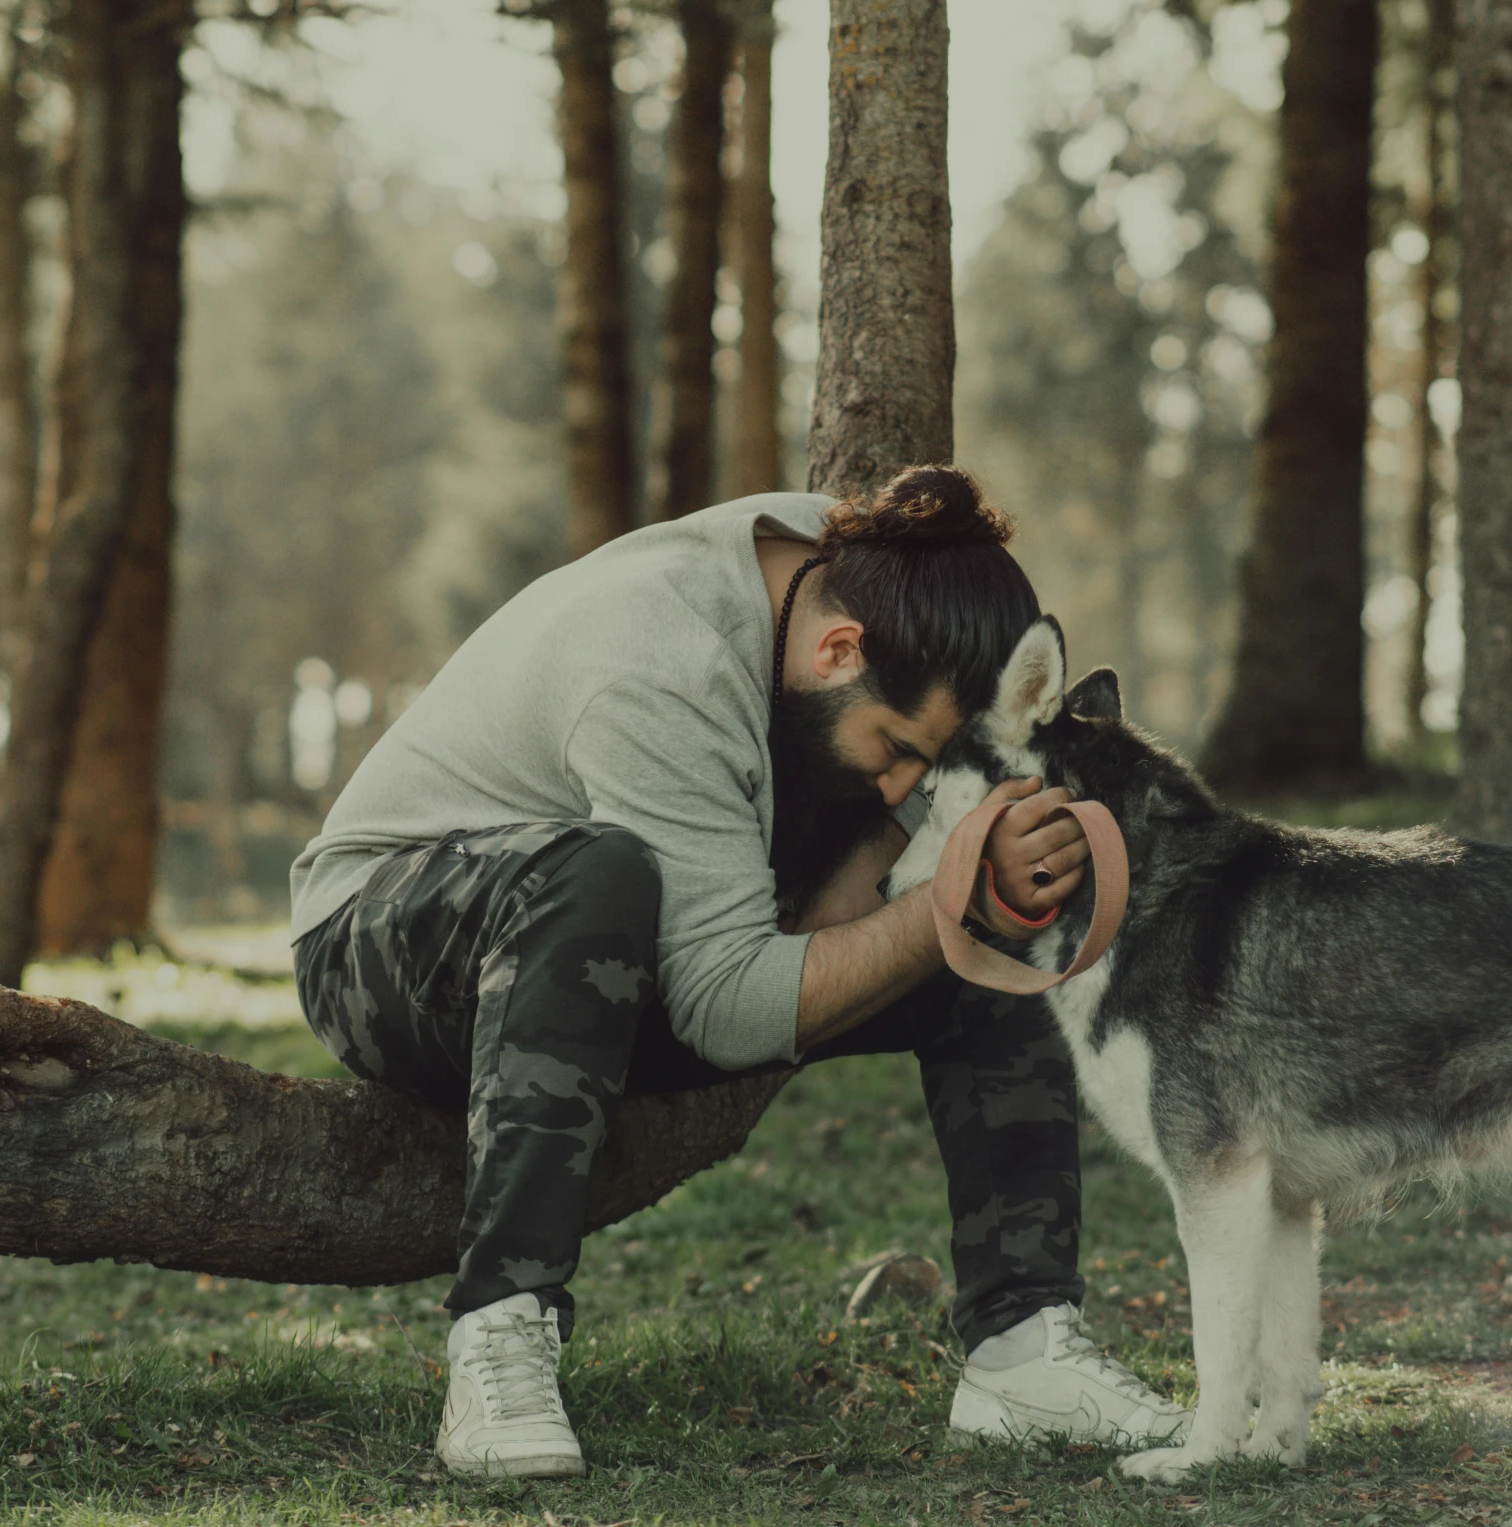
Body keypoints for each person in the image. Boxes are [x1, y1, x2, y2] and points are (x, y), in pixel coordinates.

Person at [289, 467, 1185, 1479]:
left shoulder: (860, 583)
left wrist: (985, 873)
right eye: (895, 750)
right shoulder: (653, 658)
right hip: (388, 944)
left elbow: (820, 919)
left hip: (629, 946)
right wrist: (947, 900)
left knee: (993, 915)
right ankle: (500, 1330)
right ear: (837, 652)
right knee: (598, 875)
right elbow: (727, 1011)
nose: (898, 787)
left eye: (918, 768)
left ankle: (1022, 1349)